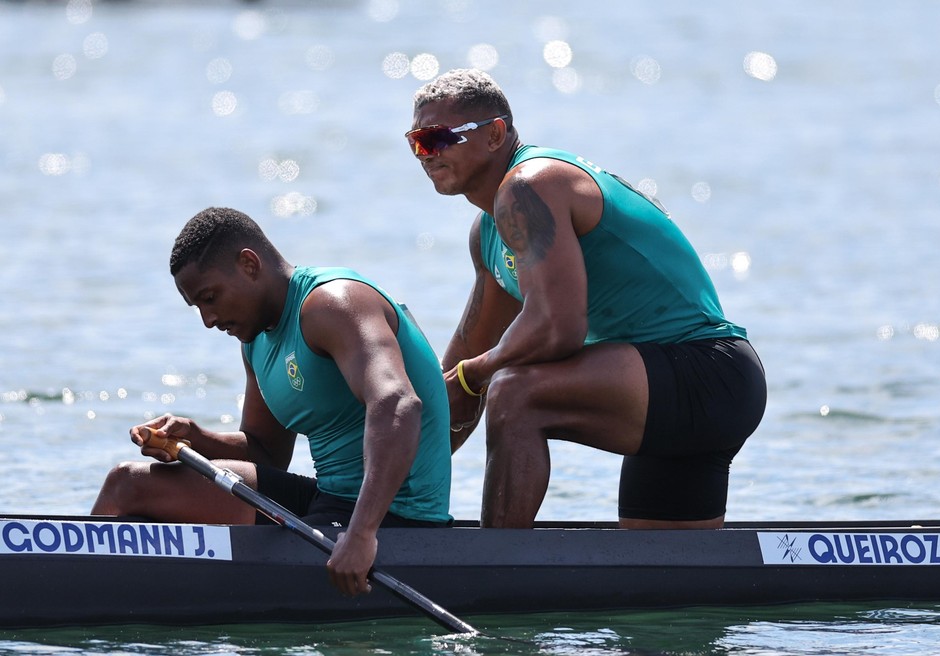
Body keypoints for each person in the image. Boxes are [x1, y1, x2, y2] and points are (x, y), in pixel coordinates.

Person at [405, 69, 767, 530]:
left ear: (495, 134)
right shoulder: (488, 234)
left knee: (515, 394)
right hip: (662, 393)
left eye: (438, 138)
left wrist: (474, 376)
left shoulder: (529, 186)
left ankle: (498, 565)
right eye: (417, 142)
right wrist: (378, 499)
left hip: (706, 372)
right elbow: (454, 381)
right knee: (660, 580)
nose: (426, 155)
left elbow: (557, 329)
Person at [91, 207, 452, 596]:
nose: (208, 320)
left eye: (210, 298)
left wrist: (362, 534)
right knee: (125, 485)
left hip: (396, 516)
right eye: (197, 307)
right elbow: (265, 452)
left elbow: (398, 403)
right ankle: (82, 587)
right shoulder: (255, 341)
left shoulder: (331, 304)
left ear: (249, 264)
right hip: (329, 500)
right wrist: (196, 438)